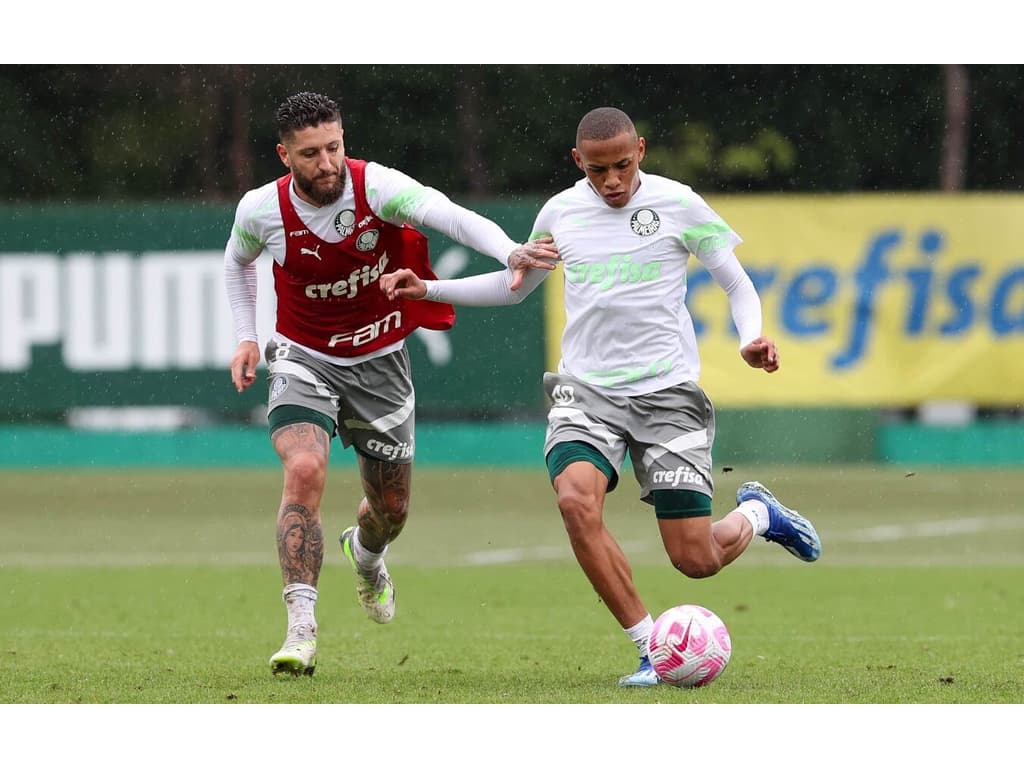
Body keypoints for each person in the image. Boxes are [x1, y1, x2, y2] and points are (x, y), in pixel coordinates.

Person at [380, 106, 822, 687]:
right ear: (577, 162)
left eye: (621, 166)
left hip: (667, 395)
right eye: (597, 170)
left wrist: (749, 338)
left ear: (640, 149)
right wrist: (429, 288)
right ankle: (648, 647)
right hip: (586, 392)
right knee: (575, 502)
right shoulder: (560, 212)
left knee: (695, 560)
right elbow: (514, 289)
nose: (611, 181)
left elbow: (736, 282)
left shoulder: (678, 203)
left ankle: (758, 514)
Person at [224, 92, 558, 677]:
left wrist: (511, 251)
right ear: (284, 156)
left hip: (381, 361)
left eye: (334, 146)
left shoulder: (375, 187)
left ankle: (368, 554)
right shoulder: (260, 211)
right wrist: (246, 335)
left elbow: (447, 213)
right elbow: (237, 261)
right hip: (304, 357)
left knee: (392, 509)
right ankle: (300, 629)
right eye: (310, 154)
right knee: (303, 469)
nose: (326, 162)